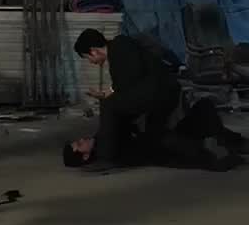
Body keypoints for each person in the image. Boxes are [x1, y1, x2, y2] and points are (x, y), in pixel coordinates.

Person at [63, 95, 249, 172]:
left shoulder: (103, 140)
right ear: (86, 156)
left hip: (172, 136)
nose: (81, 139)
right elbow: (110, 117)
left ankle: (237, 143)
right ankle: (234, 146)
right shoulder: (106, 151)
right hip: (171, 146)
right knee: (206, 149)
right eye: (79, 145)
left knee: (204, 106)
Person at [73, 27, 182, 165]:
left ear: (94, 51)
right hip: (153, 90)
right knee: (149, 139)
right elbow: (123, 84)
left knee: (108, 105)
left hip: (160, 89)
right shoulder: (116, 53)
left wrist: (111, 95)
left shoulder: (120, 45)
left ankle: (105, 157)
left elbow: (131, 77)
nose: (90, 62)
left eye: (88, 57)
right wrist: (106, 94)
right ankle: (112, 146)